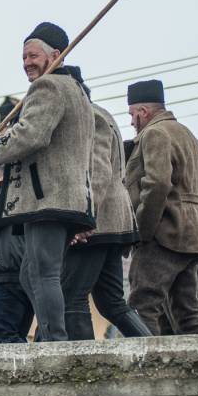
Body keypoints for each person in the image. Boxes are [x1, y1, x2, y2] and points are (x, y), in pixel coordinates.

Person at [0, 23, 95, 343]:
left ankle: (54, 342)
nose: (26, 62)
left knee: (42, 272)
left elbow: (30, 136)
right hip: (67, 196)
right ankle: (48, 336)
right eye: (23, 56)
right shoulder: (78, 91)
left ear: (56, 55)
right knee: (31, 272)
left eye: (33, 55)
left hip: (47, 198)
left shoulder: (48, 87)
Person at [124, 79, 198, 335]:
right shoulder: (190, 136)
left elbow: (157, 185)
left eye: (132, 114)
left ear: (143, 112)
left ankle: (145, 371)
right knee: (188, 313)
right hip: (194, 237)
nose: (132, 122)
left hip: (163, 236)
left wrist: (143, 231)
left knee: (142, 306)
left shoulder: (155, 134)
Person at [62, 93, 150, 340]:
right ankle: (153, 350)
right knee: (111, 301)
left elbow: (98, 172)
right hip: (110, 221)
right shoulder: (99, 114)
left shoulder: (90, 116)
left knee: (72, 296)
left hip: (99, 223)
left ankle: (85, 363)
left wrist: (85, 216)